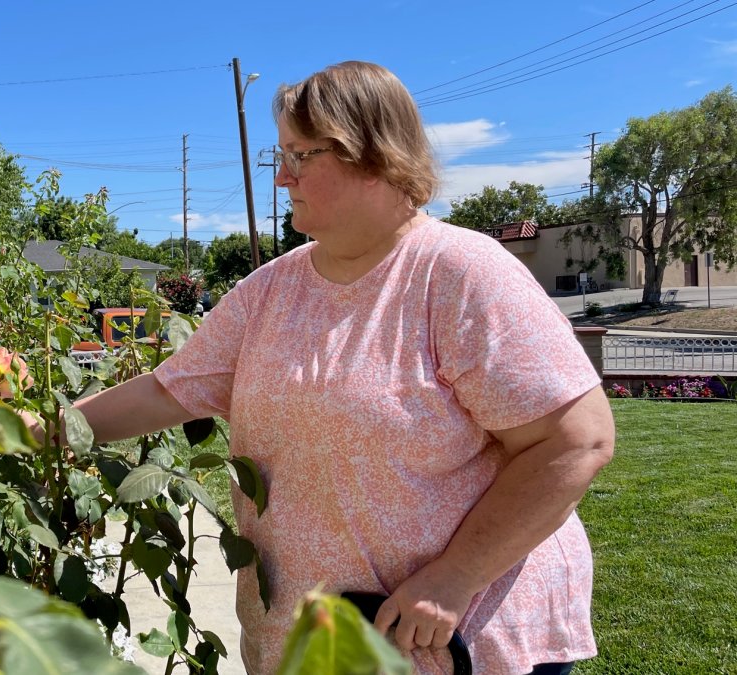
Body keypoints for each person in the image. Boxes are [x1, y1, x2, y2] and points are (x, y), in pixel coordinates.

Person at [45, 62, 614, 675]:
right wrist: (44, 427)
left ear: (371, 157)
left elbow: (576, 440)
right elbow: (168, 391)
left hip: (453, 634)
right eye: (279, 154)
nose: (282, 176)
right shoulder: (270, 290)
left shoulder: (459, 275)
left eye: (299, 155)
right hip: (314, 643)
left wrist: (455, 576)